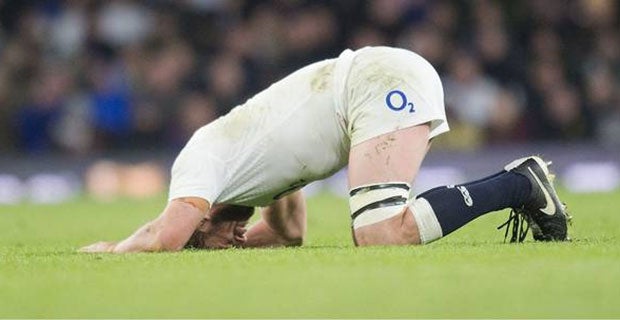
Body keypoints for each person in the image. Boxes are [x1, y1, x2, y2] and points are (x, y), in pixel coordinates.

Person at [80, 46, 570, 253]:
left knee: (379, 233)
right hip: (375, 80)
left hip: (372, 84)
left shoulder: (199, 158)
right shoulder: (253, 174)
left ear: (203, 219)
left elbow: (166, 235)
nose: (228, 246)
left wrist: (115, 249)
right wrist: (241, 239)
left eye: (204, 242)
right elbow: (290, 234)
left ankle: (520, 184)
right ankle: (521, 185)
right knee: (377, 231)